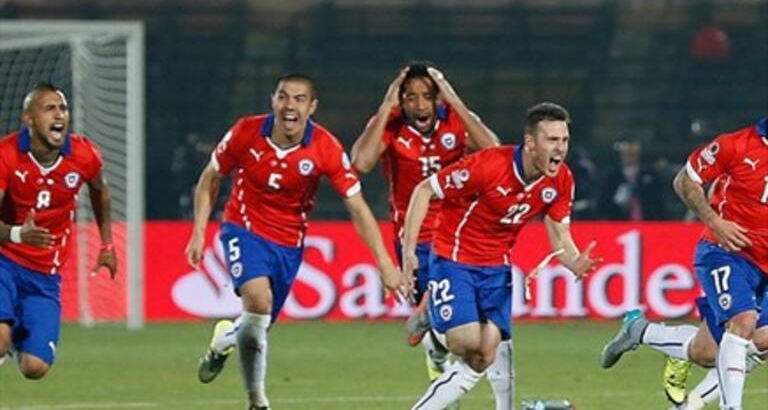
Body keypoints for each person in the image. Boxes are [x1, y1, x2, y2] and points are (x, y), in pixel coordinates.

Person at [185, 73, 405, 410]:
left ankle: (224, 339)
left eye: (300, 99)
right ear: (273, 100)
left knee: (255, 328)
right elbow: (210, 178)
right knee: (258, 301)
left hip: (288, 244)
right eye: (284, 97)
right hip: (242, 228)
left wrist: (385, 263)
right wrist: (199, 231)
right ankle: (257, 401)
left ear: (312, 107)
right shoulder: (246, 131)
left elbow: (357, 207)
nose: (290, 105)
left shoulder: (325, 147)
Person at [402, 102, 600, 410]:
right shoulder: (489, 165)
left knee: (485, 355)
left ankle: (434, 344)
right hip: (455, 258)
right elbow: (425, 190)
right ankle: (436, 331)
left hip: (496, 267)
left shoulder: (561, 180)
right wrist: (409, 253)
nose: (560, 148)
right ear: (531, 142)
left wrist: (574, 261)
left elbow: (560, 235)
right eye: (552, 140)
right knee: (465, 342)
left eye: (564, 140)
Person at [601, 117, 768, 410]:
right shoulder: (736, 146)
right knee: (743, 322)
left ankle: (640, 331)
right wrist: (715, 222)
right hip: (726, 252)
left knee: (708, 352)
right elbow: (684, 180)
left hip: (763, 268)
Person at [351, 62, 499, 383]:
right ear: (402, 101)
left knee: (466, 321)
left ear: (438, 99)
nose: (420, 104)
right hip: (413, 234)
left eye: (427, 96)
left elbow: (494, 151)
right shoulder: (390, 125)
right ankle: (434, 343)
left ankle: (432, 333)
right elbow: (360, 163)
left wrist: (456, 101)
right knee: (451, 327)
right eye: (411, 97)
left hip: (456, 232)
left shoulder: (457, 123)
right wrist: (385, 105)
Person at [0, 82, 117, 379]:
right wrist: (16, 234)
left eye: (63, 108)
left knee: (35, 368)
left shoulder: (84, 154)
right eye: (49, 108)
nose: (59, 115)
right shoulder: (7, 155)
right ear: (29, 118)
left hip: (44, 274)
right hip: (4, 261)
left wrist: (107, 245)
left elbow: (100, 191)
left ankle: (13, 339)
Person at [598, 139, 665, 220]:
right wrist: (617, 203)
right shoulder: (611, 177)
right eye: (627, 154)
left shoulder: (651, 176)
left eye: (632, 154)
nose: (630, 157)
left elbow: (659, 202)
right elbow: (603, 205)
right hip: (619, 223)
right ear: (621, 155)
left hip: (647, 222)